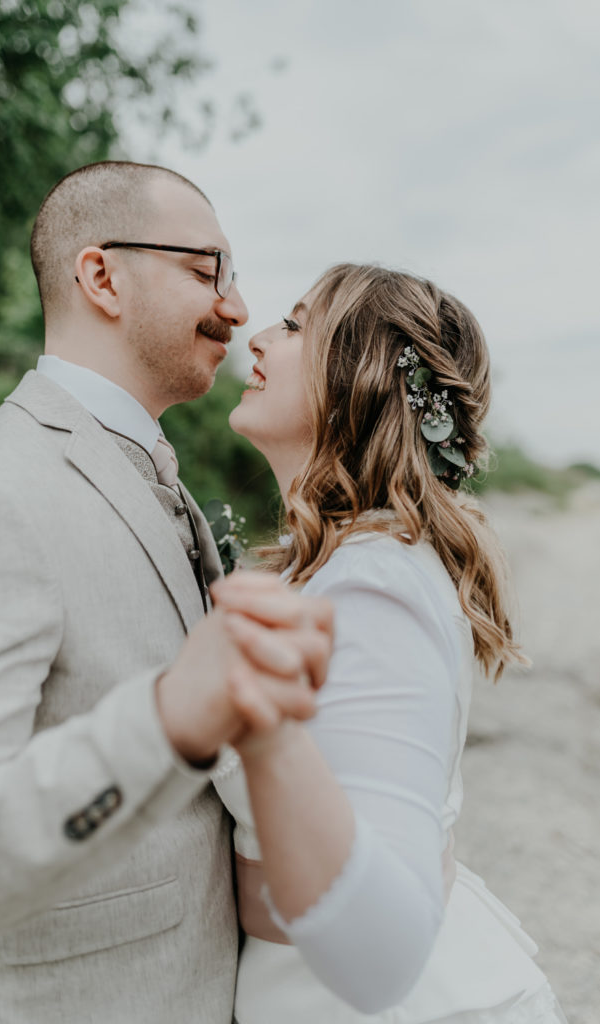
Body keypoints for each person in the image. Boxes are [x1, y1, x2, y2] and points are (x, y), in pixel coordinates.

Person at [0, 162, 334, 1024]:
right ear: (102, 276)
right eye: (205, 270)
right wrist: (164, 720)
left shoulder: (160, 479)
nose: (237, 306)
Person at [212, 263, 568, 1022]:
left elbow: (380, 900)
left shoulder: (370, 585)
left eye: (295, 323)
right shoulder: (346, 565)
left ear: (360, 375)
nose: (258, 336)